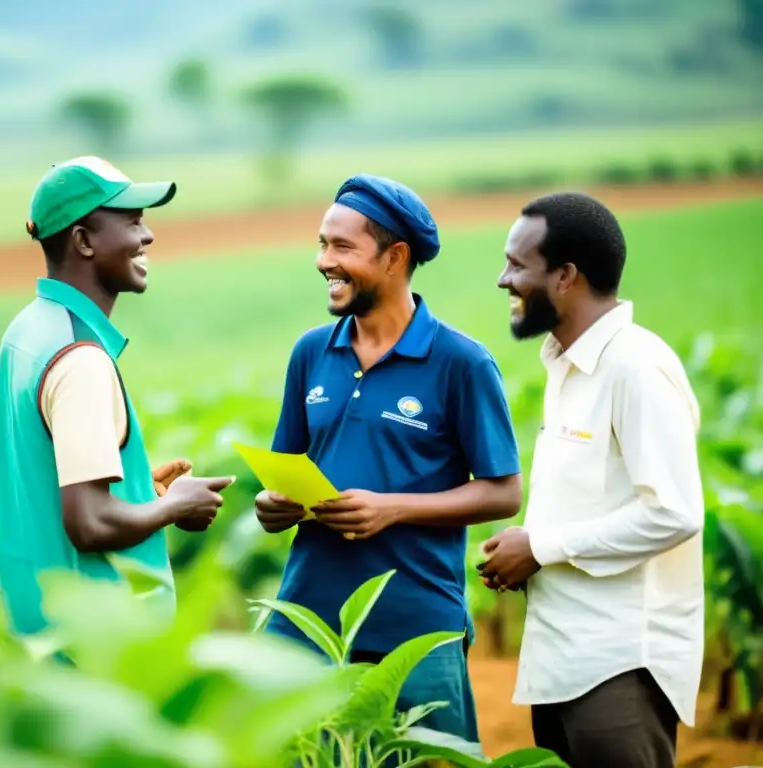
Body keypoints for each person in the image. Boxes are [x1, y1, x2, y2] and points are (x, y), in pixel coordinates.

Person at [254, 173, 523, 743]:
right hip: (306, 623)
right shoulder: (310, 353)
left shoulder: (461, 363)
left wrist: (392, 509)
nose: (324, 261)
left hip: (418, 628)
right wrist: (271, 504)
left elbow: (503, 491)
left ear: (395, 256)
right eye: (322, 244)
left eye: (342, 247)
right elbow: (286, 467)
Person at [480, 191, 704, 768]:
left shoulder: (635, 368)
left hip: (619, 668)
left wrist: (539, 546)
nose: (503, 279)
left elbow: (675, 512)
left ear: (566, 277)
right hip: (563, 662)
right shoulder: (567, 364)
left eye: (516, 264)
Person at [0, 156, 234, 637]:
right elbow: (89, 522)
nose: (147, 236)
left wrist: (142, 490)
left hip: (36, 625)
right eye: (133, 221)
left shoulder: (28, 331)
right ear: (83, 241)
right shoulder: (80, 356)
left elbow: (53, 476)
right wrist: (175, 506)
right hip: (95, 640)